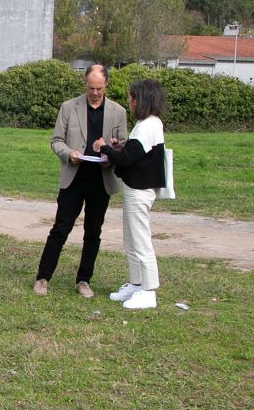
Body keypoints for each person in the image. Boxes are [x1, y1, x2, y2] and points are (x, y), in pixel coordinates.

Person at [34, 65, 127, 298]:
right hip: (74, 177)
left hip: (101, 179)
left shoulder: (118, 111)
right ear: (84, 84)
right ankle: (43, 278)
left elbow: (123, 145)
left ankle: (84, 280)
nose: (94, 92)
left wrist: (111, 155)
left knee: (93, 232)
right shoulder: (68, 107)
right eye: (90, 87)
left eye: (99, 88)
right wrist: (69, 154)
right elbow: (56, 141)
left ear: (107, 85)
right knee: (60, 229)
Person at [93, 79, 167, 310]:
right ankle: (136, 283)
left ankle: (149, 290)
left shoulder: (148, 126)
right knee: (131, 240)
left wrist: (105, 147)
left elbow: (126, 159)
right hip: (134, 188)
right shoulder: (146, 124)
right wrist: (118, 147)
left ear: (141, 100)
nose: (129, 102)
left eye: (131, 98)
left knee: (141, 241)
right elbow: (132, 153)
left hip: (140, 191)